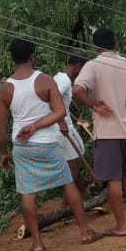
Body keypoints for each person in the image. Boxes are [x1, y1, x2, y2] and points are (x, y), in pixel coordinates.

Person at [0, 38, 103, 251]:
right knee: (67, 184)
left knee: (27, 193)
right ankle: (84, 233)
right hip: (47, 143)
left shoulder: (7, 88)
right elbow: (60, 112)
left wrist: (3, 153)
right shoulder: (45, 81)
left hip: (22, 146)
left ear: (11, 58)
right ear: (32, 56)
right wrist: (36, 126)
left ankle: (37, 243)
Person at [73, 27, 126, 237]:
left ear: (96, 47)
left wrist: (94, 105)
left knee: (113, 180)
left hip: (108, 132)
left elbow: (77, 89)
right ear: (116, 44)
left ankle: (121, 226)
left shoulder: (93, 66)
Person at [53, 53, 88, 191]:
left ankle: (83, 196)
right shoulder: (65, 81)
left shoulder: (58, 77)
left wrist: (75, 118)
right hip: (62, 129)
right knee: (72, 169)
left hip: (61, 126)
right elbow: (52, 100)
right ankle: (71, 202)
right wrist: (61, 122)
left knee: (71, 165)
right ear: (78, 66)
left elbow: (60, 105)